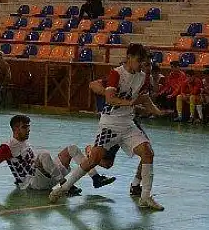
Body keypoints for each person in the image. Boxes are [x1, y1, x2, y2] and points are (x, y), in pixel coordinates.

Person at [50, 44, 164, 210]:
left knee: (148, 153)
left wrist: (158, 112)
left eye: (145, 62)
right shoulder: (116, 74)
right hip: (109, 125)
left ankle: (145, 197)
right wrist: (130, 103)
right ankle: (64, 187)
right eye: (140, 61)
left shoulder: (142, 76)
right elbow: (110, 99)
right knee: (95, 159)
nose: (142, 65)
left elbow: (145, 98)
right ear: (129, 57)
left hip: (128, 124)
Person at [0, 115, 114, 193]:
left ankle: (96, 178)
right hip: (32, 182)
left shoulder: (24, 142)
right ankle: (65, 184)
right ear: (15, 129)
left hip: (46, 178)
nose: (28, 130)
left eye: (28, 127)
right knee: (44, 154)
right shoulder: (7, 147)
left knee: (72, 148)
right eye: (24, 127)